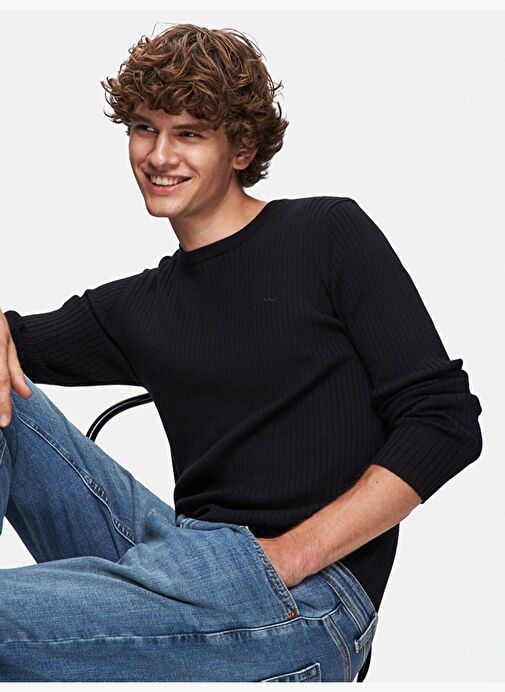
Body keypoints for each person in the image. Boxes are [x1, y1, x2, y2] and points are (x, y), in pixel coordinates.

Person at [0, 22, 483, 682]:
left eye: (189, 133)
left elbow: (444, 421)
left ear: (241, 147)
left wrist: (290, 555)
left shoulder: (325, 235)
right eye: (144, 128)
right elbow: (12, 338)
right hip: (181, 561)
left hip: (308, 596)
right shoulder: (137, 306)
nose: (159, 154)